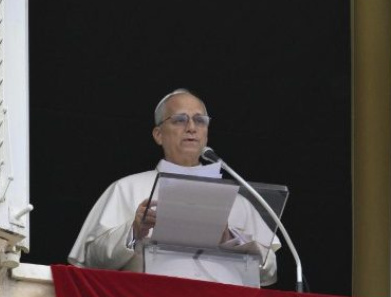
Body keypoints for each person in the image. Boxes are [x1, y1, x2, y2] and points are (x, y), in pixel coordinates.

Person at [68, 89, 278, 286]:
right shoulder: (127, 188)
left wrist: (230, 238)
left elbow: (269, 271)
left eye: (199, 120)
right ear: (158, 134)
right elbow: (92, 260)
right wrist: (134, 230)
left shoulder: (239, 201)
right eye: (179, 120)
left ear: (206, 132)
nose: (191, 128)